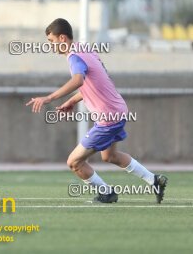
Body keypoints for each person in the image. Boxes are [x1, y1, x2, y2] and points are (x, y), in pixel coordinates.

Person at [26, 18, 167, 203]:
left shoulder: (74, 56)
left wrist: (49, 98)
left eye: (51, 42)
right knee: (110, 156)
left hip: (108, 118)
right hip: (118, 111)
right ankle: (154, 180)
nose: (51, 47)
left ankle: (107, 193)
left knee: (74, 162)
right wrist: (72, 101)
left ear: (62, 38)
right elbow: (96, 83)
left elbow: (78, 80)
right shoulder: (86, 50)